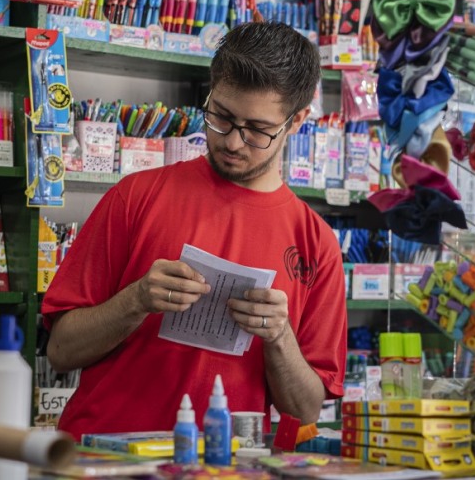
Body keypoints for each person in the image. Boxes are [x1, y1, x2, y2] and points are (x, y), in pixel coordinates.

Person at [41, 22, 348, 440]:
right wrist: (136, 300)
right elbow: (60, 351)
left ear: (296, 121)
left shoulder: (316, 243)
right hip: (103, 456)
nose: (233, 142)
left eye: (257, 129)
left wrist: (280, 338)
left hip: (227, 464)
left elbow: (306, 410)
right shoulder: (136, 197)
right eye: (221, 116)